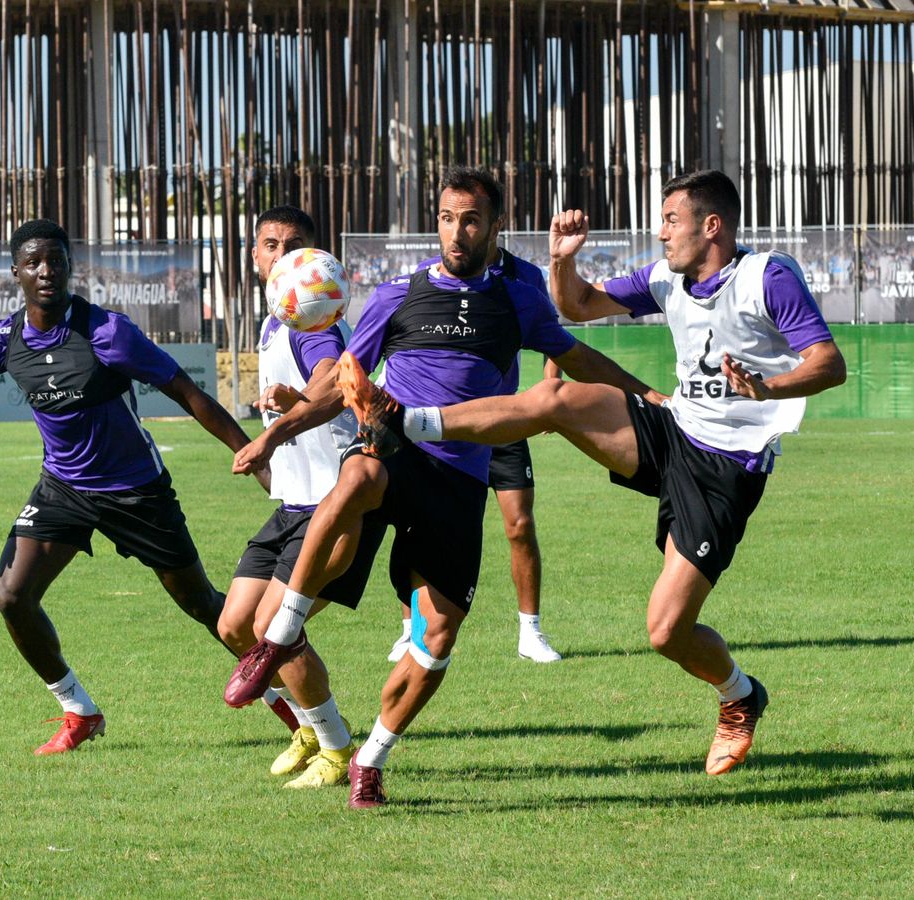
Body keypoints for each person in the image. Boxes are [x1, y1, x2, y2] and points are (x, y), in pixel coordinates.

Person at [345, 170, 847, 775]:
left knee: (666, 632)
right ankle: (408, 423)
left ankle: (739, 694)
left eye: (670, 221)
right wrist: (561, 263)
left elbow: (828, 363)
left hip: (728, 467)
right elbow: (577, 307)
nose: (660, 234)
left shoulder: (769, 277)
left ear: (710, 226)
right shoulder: (667, 277)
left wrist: (768, 387)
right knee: (554, 400)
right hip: (675, 429)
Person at [223, 167, 664, 808]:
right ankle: (280, 635)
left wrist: (648, 397)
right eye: (449, 218)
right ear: (437, 221)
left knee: (437, 638)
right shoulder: (395, 294)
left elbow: (574, 358)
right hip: (394, 448)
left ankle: (369, 758)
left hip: (460, 479)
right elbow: (335, 383)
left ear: (493, 227)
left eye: (473, 220)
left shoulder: (517, 295)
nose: (459, 232)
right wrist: (273, 434)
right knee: (362, 471)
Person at [0, 218, 258, 755]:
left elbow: (182, 389)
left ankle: (293, 703)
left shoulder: (106, 331)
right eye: (34, 262)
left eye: (56, 261)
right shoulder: (3, 338)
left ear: (68, 267)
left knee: (203, 606)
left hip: (136, 490)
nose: (46, 271)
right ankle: (78, 710)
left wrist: (249, 450)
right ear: (15, 271)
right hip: (63, 488)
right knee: (12, 596)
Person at [217, 205, 370, 788]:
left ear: (317, 256)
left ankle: (335, 750)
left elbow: (331, 376)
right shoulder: (276, 319)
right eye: (271, 244)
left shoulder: (312, 316)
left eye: (295, 244)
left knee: (270, 629)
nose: (283, 255)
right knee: (234, 626)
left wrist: (286, 413)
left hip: (334, 502)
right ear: (257, 257)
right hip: (293, 504)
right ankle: (308, 725)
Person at [385, 248, 561, 663]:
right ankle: (412, 627)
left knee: (519, 524)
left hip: (500, 417)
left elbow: (552, 335)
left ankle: (530, 632)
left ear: (495, 222)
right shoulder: (435, 270)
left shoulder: (526, 276)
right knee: (415, 522)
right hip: (440, 422)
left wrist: (551, 390)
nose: (464, 230)